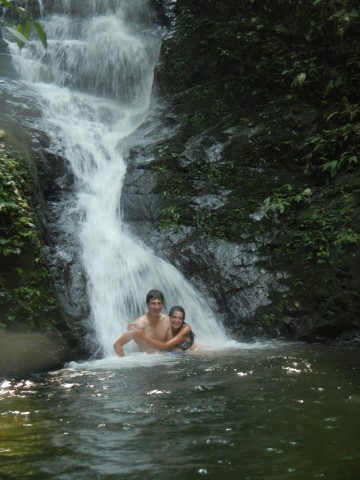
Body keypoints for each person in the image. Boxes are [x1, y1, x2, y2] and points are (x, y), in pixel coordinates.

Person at [113, 289, 171, 357]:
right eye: (153, 303)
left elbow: (170, 344)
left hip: (166, 358)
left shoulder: (167, 320)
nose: (156, 307)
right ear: (147, 304)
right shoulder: (138, 325)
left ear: (162, 304)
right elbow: (117, 345)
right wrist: (124, 363)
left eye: (159, 303)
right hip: (148, 362)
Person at [130, 305, 195, 352]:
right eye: (174, 317)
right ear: (169, 317)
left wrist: (145, 338)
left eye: (180, 318)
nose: (177, 321)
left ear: (183, 320)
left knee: (178, 351)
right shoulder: (166, 320)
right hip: (171, 342)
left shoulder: (186, 329)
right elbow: (146, 320)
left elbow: (166, 346)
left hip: (184, 344)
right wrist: (132, 326)